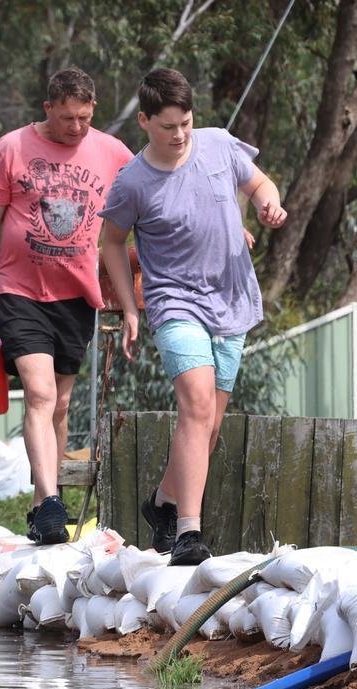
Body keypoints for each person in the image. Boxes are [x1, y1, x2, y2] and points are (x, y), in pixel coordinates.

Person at [99, 68, 287, 566]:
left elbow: (259, 183)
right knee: (196, 406)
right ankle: (188, 532)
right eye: (167, 126)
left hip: (232, 297)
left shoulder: (220, 144)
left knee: (210, 424)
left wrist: (268, 204)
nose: (179, 135)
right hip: (174, 302)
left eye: (185, 122)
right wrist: (132, 308)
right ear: (144, 121)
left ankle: (161, 504)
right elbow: (112, 244)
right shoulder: (133, 183)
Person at [0, 67, 133, 545]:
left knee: (59, 404)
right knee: (38, 394)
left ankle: (42, 509)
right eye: (65, 118)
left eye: (83, 118)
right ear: (47, 109)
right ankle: (51, 500)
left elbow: (153, 196)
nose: (75, 127)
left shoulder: (113, 152)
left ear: (93, 110)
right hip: (19, 290)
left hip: (76, 295)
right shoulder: (11, 148)